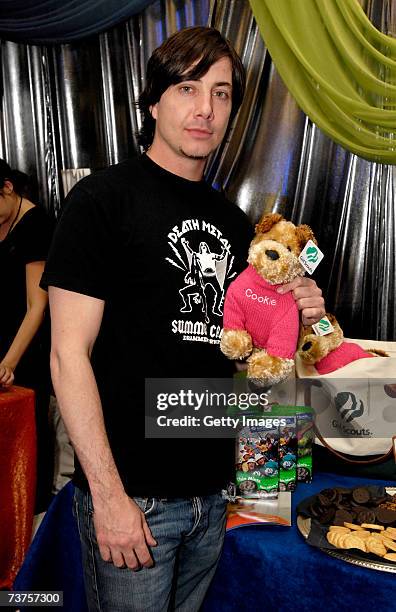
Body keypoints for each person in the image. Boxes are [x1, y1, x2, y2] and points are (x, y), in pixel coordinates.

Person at [41, 27, 325, 611]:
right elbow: (68, 356)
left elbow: (249, 362)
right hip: (135, 502)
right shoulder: (101, 200)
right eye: (188, 88)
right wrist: (110, 497)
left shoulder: (235, 221)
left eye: (221, 94)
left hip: (215, 497)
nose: (205, 109)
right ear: (152, 101)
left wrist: (298, 316)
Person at [0, 159, 53, 512]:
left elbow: (38, 306)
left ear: (7, 187)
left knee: (29, 456)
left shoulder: (37, 225)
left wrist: (8, 362)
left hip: (26, 358)